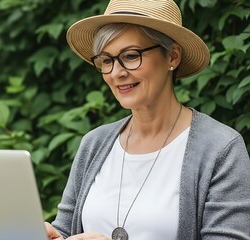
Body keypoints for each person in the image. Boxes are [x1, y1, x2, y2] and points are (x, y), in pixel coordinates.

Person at [44, 0, 250, 239]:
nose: (116, 72)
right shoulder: (95, 143)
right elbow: (66, 229)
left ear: (172, 56)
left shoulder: (220, 148)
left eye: (131, 56)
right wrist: (54, 235)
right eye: (107, 60)